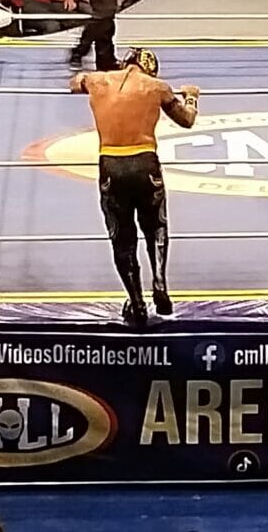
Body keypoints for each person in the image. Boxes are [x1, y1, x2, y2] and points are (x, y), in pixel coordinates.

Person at [70, 48, 199, 328]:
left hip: (111, 164)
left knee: (122, 237)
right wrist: (191, 96)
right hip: (144, 163)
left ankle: (137, 303)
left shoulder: (98, 80)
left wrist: (87, 81)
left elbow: (74, 83)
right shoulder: (157, 87)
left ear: (125, 62)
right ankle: (160, 283)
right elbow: (187, 119)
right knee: (156, 227)